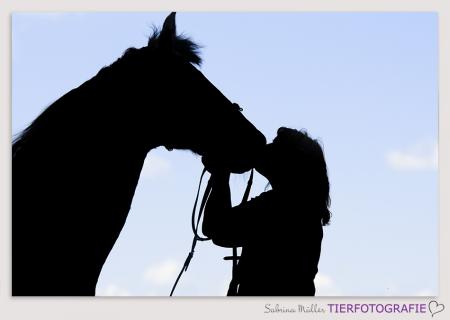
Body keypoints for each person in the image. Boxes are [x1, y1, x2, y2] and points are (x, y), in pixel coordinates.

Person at [202, 127, 331, 296]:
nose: (267, 148)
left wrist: (221, 173)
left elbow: (217, 228)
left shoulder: (279, 206)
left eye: (275, 145)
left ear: (289, 161)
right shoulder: (299, 207)